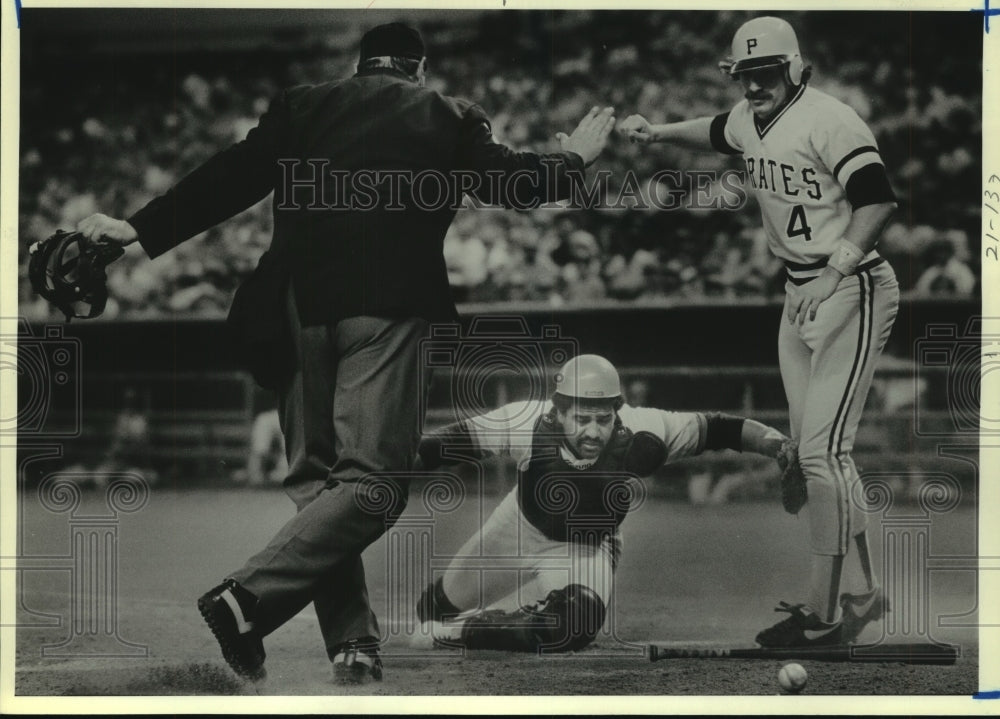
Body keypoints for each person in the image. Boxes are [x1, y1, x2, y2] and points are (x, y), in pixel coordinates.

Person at [75, 22, 616, 684]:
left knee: (320, 483)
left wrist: (139, 227)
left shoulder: (302, 104)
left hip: (294, 308)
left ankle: (353, 640)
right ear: (419, 69)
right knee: (374, 482)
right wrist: (575, 160)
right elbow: (515, 185)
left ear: (361, 66)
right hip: (385, 305)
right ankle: (246, 598)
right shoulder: (449, 114)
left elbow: (231, 175)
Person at [618, 16, 898, 647]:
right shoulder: (749, 117)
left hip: (852, 285)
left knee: (823, 456)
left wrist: (836, 270)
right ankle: (865, 592)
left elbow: (878, 201)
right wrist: (657, 132)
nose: (752, 86)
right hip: (799, 293)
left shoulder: (832, 119)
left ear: (797, 69)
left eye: (765, 73)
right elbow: (717, 130)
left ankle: (825, 617)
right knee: (819, 454)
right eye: (743, 74)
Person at [413, 354, 793, 652]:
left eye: (603, 419)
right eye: (581, 419)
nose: (593, 432)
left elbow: (720, 428)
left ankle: (465, 629)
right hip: (518, 527)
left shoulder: (642, 427)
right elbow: (443, 444)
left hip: (587, 546)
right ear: (558, 411)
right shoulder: (526, 422)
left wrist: (777, 446)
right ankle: (482, 617)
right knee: (432, 610)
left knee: (571, 627)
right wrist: (387, 468)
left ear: (616, 412)